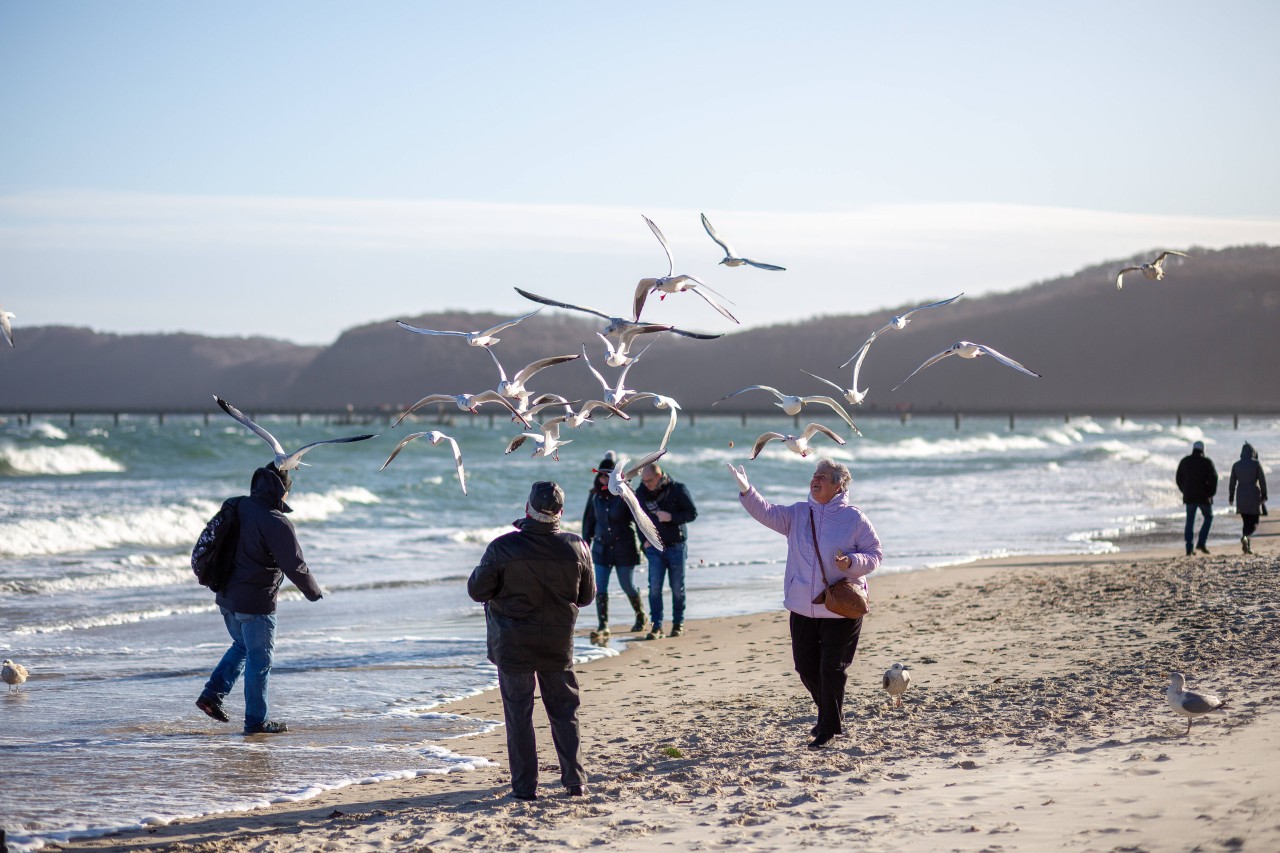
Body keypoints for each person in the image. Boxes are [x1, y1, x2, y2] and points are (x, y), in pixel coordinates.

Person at [728, 457, 882, 749]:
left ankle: (827, 728)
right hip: (803, 604)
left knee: (831, 668)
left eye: (823, 476)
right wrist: (747, 490)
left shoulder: (854, 518)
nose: (816, 479)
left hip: (842, 607)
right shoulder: (798, 514)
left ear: (839, 485)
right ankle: (829, 717)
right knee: (805, 667)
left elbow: (875, 555)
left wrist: (851, 561)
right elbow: (766, 512)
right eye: (814, 475)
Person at [468, 481, 595, 801]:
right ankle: (574, 781)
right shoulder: (577, 546)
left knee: (519, 714)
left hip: (513, 643)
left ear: (527, 509)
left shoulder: (502, 548)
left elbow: (476, 590)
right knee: (565, 711)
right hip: (556, 640)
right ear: (561, 514)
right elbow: (586, 597)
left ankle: (525, 787)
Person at [197, 464, 324, 735]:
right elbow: (295, 565)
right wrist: (314, 592)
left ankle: (212, 696)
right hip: (255, 603)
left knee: (242, 645)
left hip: (226, 598)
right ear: (282, 491)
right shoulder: (275, 521)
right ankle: (256, 722)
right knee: (260, 661)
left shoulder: (237, 505)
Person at [581, 451, 647, 638]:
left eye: (607, 475)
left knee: (627, 585)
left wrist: (646, 543)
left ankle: (641, 616)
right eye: (601, 475)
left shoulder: (626, 493)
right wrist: (585, 544)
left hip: (624, 548)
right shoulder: (595, 496)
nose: (603, 478)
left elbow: (640, 520)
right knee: (600, 588)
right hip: (601, 549)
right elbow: (589, 521)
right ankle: (603, 625)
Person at [634, 462, 698, 639]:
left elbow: (692, 513)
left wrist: (671, 517)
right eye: (643, 480)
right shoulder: (641, 493)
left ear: (658, 476)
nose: (645, 484)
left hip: (676, 546)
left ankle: (678, 624)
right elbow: (638, 519)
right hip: (654, 548)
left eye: (648, 481)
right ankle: (656, 627)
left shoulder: (678, 489)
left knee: (677, 588)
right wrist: (643, 541)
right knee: (654, 589)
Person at [1176, 440, 1219, 555]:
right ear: (1203, 450)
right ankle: (1201, 542)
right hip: (1204, 497)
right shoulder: (1207, 462)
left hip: (1189, 496)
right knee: (1208, 517)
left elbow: (1178, 478)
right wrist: (1211, 493)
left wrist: (1184, 490)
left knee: (1190, 521)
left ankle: (1189, 548)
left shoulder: (1185, 461)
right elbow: (1214, 479)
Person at [1228, 443, 1268, 554]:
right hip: (1254, 495)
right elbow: (1262, 480)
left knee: (1245, 521)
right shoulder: (1256, 464)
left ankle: (1247, 545)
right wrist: (1264, 494)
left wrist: (1231, 496)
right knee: (1254, 521)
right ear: (1253, 452)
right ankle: (1246, 537)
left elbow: (1232, 483)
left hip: (1240, 495)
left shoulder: (1236, 465)